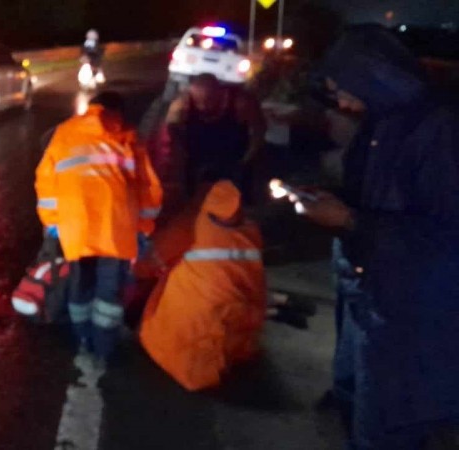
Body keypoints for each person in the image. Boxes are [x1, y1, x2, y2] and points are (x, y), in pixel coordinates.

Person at [297, 25, 459, 449]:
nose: (342, 102)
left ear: (376, 75)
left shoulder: (440, 130)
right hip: (364, 288)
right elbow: (371, 192)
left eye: (344, 89)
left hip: (407, 311)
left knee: (385, 426)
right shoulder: (380, 120)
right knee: (351, 389)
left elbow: (444, 237)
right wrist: (333, 202)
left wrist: (349, 220)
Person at [35, 91, 163, 366]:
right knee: (109, 290)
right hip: (116, 229)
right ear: (118, 111)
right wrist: (143, 227)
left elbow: (46, 181)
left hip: (75, 228)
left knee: (80, 283)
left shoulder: (64, 132)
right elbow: (148, 188)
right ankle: (104, 346)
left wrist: (53, 222)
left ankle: (83, 338)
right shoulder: (128, 135)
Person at [138, 180, 266, 391]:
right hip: (237, 319)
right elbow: (256, 286)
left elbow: (156, 259)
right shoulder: (251, 233)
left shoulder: (195, 226)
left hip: (197, 321)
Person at [160, 73, 266, 202]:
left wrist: (247, 159)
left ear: (220, 92)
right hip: (196, 157)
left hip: (235, 157)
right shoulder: (181, 106)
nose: (204, 106)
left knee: (239, 199)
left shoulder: (241, 103)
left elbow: (259, 131)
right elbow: (170, 136)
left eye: (209, 100)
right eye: (199, 101)